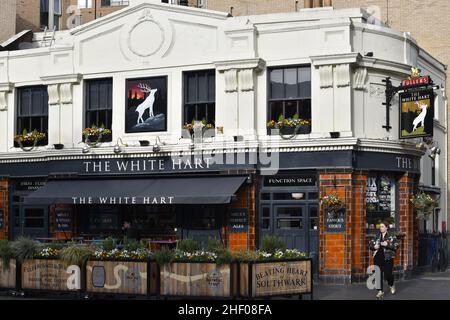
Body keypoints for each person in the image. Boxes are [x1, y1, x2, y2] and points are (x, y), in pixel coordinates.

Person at [369, 221, 399, 299]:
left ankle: (391, 284)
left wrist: (387, 244)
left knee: (388, 274)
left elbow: (396, 246)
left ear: (386, 227)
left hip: (387, 258)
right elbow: (370, 245)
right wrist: (374, 247)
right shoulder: (377, 235)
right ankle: (380, 291)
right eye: (380, 227)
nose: (381, 228)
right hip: (377, 257)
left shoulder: (391, 236)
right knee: (377, 274)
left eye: (382, 226)